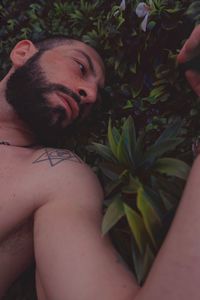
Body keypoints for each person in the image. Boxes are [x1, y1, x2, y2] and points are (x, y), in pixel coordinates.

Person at [0, 24, 200, 300]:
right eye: (81, 68)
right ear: (23, 52)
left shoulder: (54, 175)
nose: (90, 95)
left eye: (97, 97)